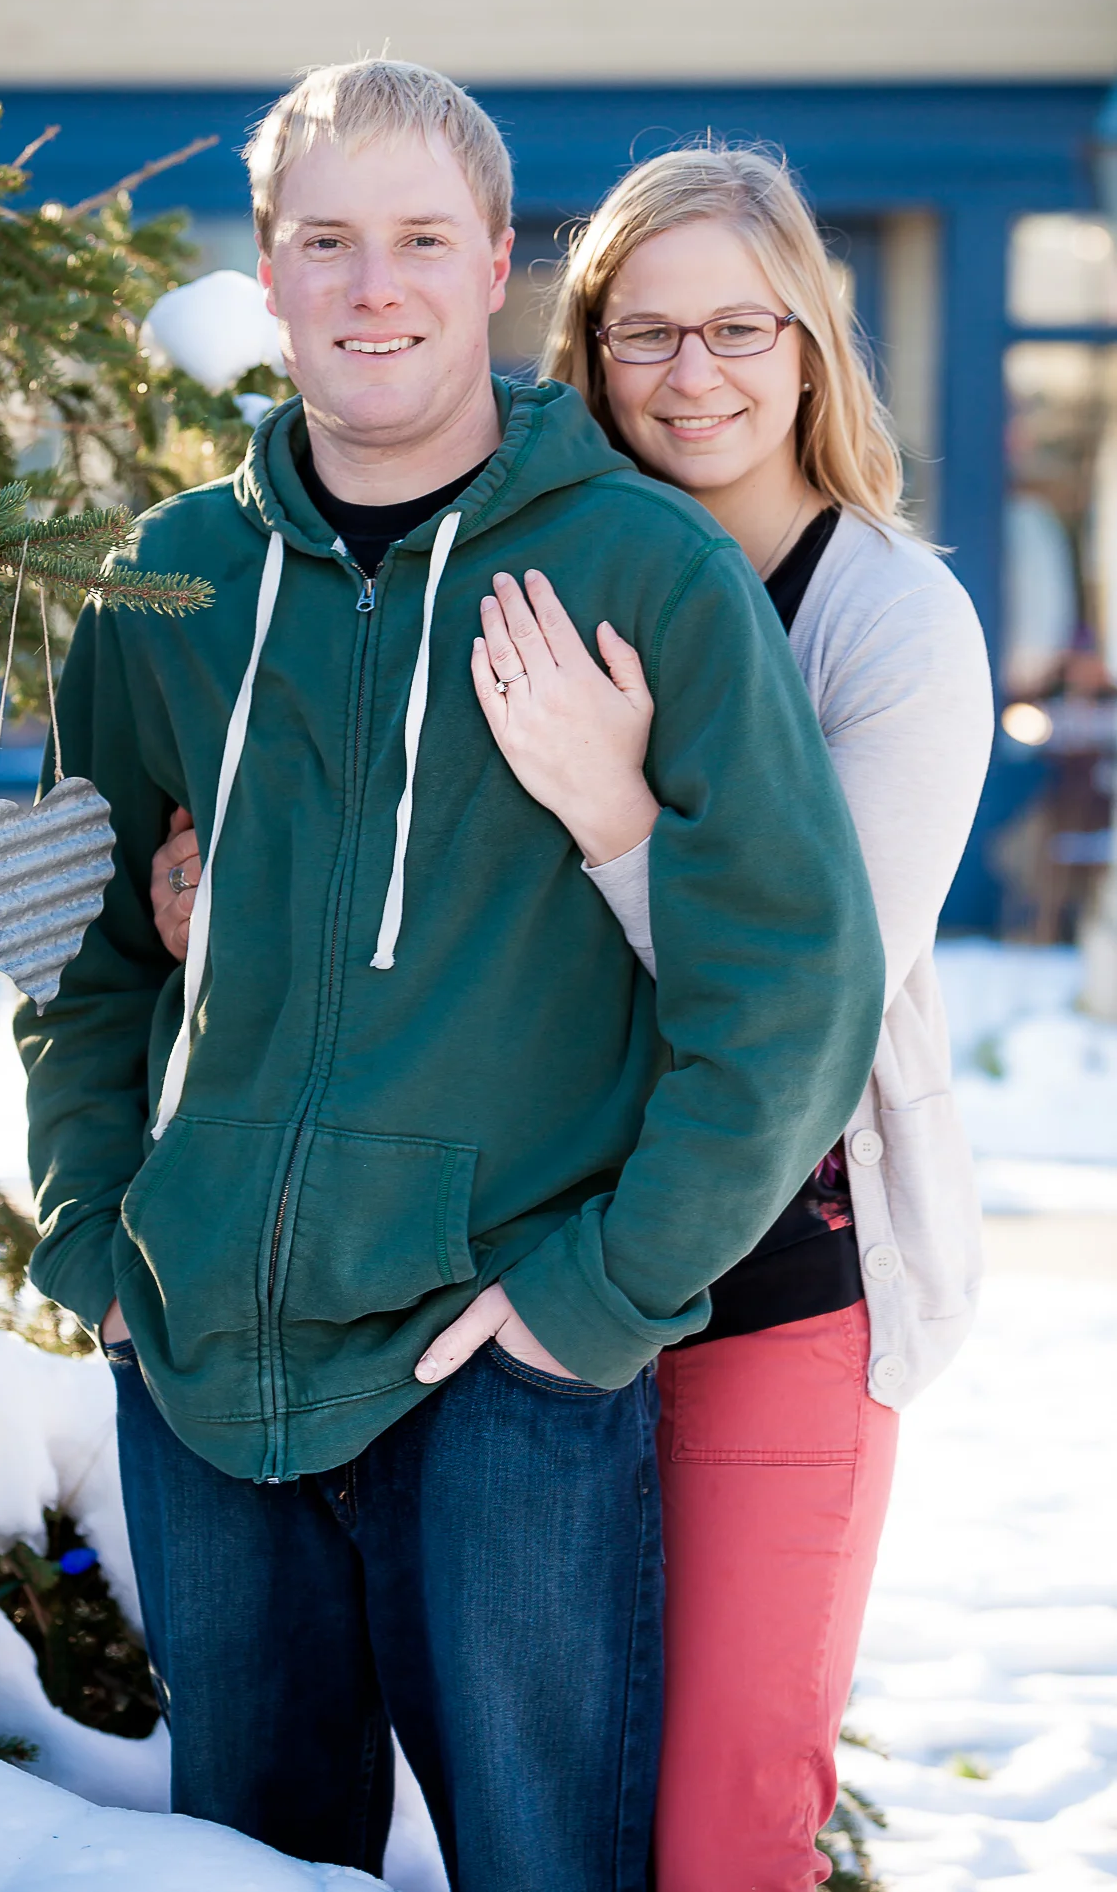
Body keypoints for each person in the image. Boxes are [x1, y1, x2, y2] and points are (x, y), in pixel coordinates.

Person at [24, 63, 883, 1892]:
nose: (373, 284)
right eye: (325, 240)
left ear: (497, 264)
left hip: (501, 1363)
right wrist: (98, 1232)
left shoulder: (638, 566)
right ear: (265, 269)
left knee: (538, 1865)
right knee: (242, 1868)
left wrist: (604, 1293)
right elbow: (80, 951)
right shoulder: (165, 583)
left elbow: (791, 986)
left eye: (421, 237)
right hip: (202, 1366)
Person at [439, 146, 994, 1891]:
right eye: (645, 335)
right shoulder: (548, 586)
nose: (695, 377)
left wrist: (615, 816)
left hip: (783, 1282)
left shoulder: (890, 624)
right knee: (535, 1820)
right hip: (531, 1266)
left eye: (739, 328)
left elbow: (812, 995)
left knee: (715, 1832)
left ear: (811, 344)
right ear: (586, 354)